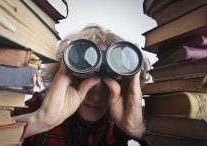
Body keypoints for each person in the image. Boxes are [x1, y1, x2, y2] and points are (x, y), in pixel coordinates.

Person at [13, 25, 151, 146]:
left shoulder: (136, 116)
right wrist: (39, 120)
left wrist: (139, 131)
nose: (96, 96)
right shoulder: (35, 107)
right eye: (84, 78)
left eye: (107, 86)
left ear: (125, 87)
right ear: (64, 77)